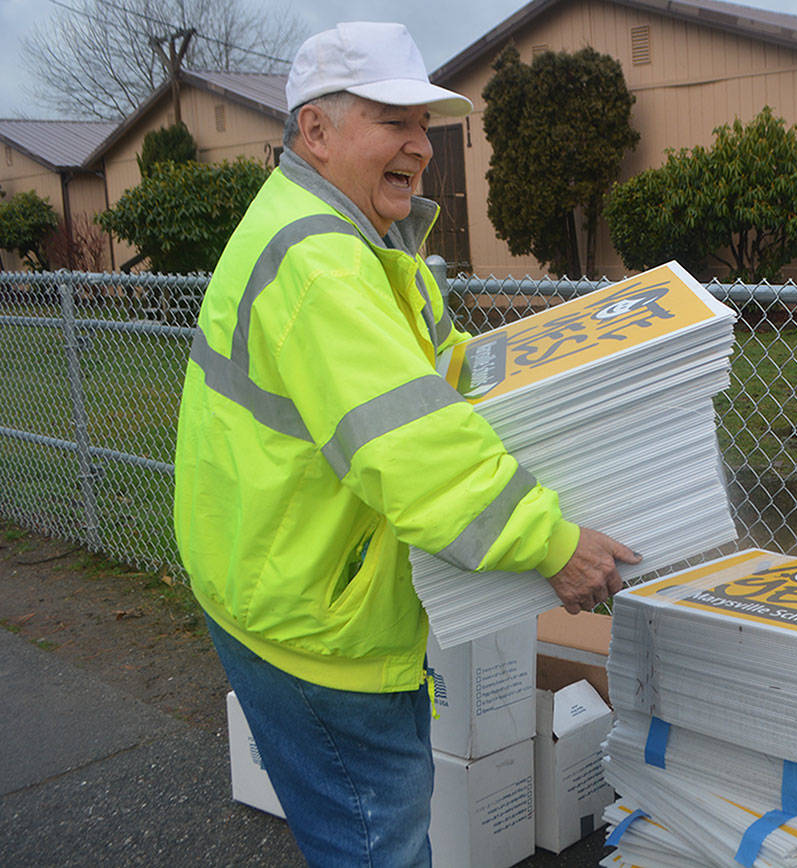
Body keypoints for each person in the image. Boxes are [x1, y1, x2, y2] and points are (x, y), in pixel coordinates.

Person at [172, 21, 639, 866]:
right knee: (376, 841)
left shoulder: (358, 238)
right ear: (315, 131)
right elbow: (410, 445)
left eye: (425, 124)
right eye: (394, 120)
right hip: (318, 627)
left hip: (285, 584)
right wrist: (552, 542)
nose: (422, 146)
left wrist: (532, 364)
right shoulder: (323, 264)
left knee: (368, 831)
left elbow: (426, 371)